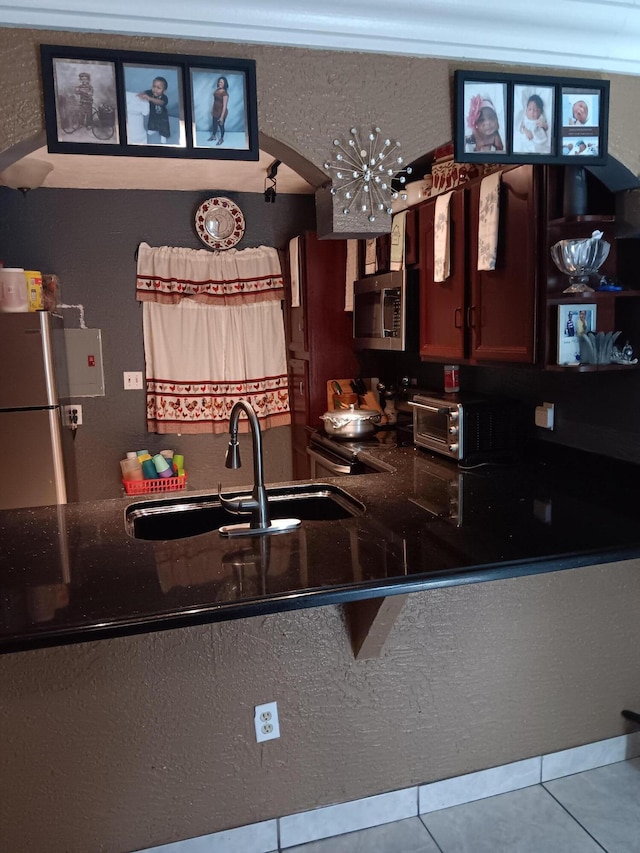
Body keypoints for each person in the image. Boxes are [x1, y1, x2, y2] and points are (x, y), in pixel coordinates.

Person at [137, 76, 170, 143]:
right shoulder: (150, 93)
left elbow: (160, 102)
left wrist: (149, 98)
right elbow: (144, 93)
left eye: (158, 88)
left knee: (164, 127)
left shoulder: (164, 97)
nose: (155, 89)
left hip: (162, 116)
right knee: (152, 123)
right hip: (153, 113)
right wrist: (141, 94)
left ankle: (163, 135)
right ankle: (153, 129)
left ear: (164, 91)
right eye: (154, 86)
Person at [208, 76, 229, 145]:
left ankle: (221, 138)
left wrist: (222, 117)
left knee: (221, 125)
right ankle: (213, 136)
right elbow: (215, 101)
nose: (220, 83)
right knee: (214, 124)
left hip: (221, 112)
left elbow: (224, 106)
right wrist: (212, 110)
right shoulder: (217, 90)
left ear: (224, 83)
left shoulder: (225, 93)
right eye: (219, 82)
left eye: (221, 82)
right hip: (215, 111)